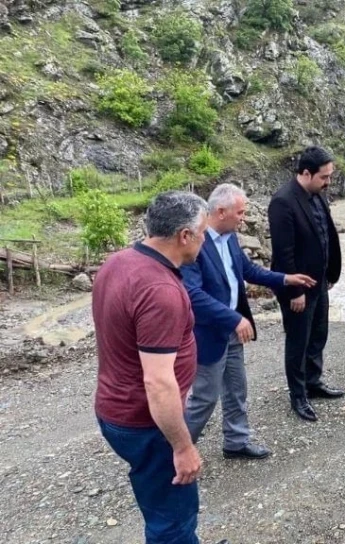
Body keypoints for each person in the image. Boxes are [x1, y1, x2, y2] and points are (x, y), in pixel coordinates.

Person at [92, 191, 208, 544]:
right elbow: (159, 383)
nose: (205, 240)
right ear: (184, 236)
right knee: (173, 519)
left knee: (162, 506)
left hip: (114, 407)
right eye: (202, 232)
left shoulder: (120, 261)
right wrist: (183, 447)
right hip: (145, 421)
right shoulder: (160, 290)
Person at [181, 183, 316, 458]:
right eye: (240, 213)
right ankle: (174, 453)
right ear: (220, 211)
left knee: (236, 389)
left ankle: (236, 441)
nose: (244, 218)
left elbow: (247, 270)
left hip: (232, 332)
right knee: (204, 399)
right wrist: (233, 318)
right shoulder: (195, 243)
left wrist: (285, 279)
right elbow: (191, 295)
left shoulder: (229, 237)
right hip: (208, 334)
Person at [268, 146, 345, 422]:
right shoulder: (283, 202)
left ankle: (313, 383)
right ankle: (298, 396)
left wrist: (330, 274)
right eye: (324, 177)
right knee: (298, 341)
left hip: (320, 281)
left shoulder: (317, 195)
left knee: (318, 334)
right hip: (297, 287)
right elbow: (284, 253)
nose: (328, 182)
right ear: (305, 173)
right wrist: (295, 291)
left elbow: (327, 235)